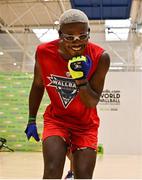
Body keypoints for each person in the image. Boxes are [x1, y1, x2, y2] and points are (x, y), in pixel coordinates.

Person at [25, 8, 110, 179]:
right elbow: (37, 84)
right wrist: (31, 119)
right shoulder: (43, 52)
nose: (76, 42)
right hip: (57, 120)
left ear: (89, 33)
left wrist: (80, 80)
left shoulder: (100, 57)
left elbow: (92, 102)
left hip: (86, 125)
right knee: (51, 171)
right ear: (60, 34)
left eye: (82, 36)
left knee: (84, 176)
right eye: (69, 37)